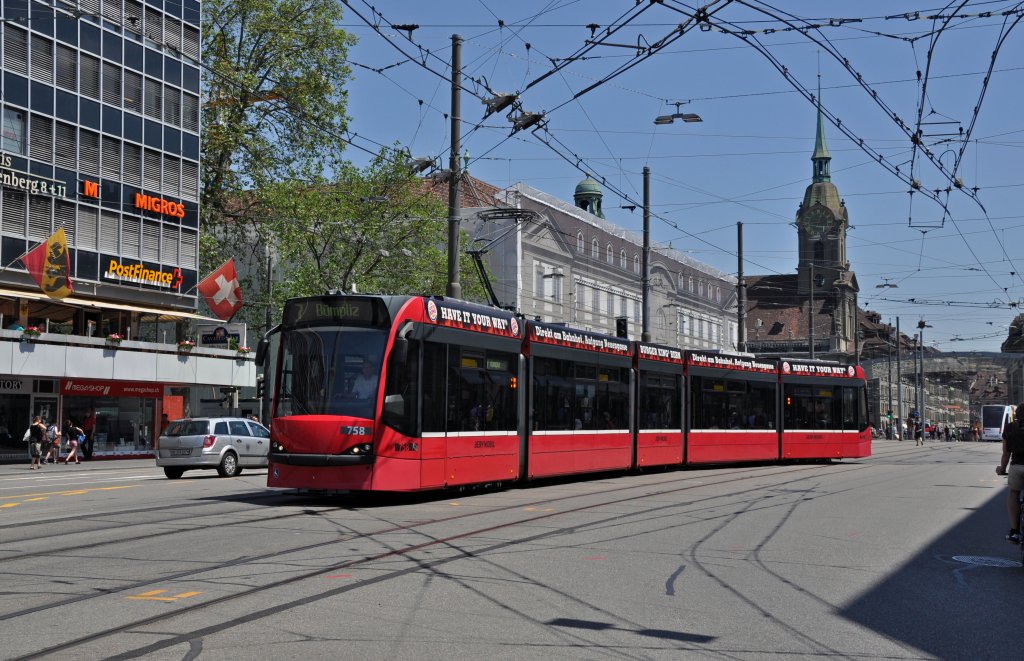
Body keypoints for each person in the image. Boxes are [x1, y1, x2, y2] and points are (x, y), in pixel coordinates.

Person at [996, 403, 1024, 543]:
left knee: (1014, 493)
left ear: (1017, 415)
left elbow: (1006, 454)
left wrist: (1002, 468)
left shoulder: (1010, 427)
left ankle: (1014, 532)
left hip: (1017, 467)